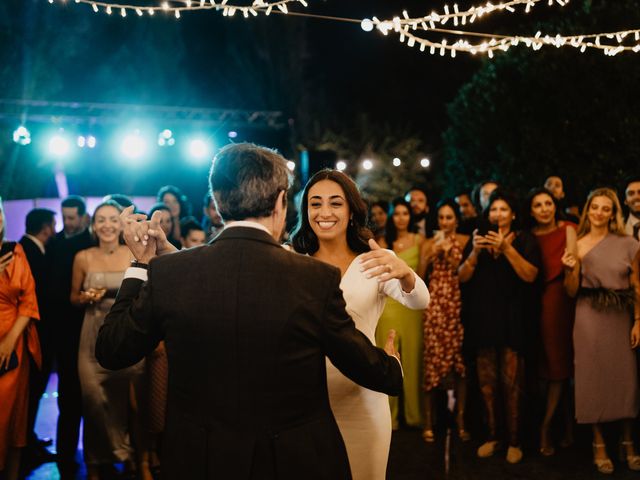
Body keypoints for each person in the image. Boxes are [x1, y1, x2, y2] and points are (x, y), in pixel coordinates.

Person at [95, 143, 403, 480]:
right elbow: (365, 365)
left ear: (218, 201)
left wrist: (140, 264)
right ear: (281, 202)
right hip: (289, 461)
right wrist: (391, 365)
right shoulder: (313, 278)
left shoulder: (170, 273)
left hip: (201, 460)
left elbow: (112, 349)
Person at [290, 169, 429, 480]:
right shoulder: (293, 259)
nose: (324, 212)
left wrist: (405, 273)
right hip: (303, 404)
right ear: (305, 211)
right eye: (315, 203)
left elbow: (419, 300)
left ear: (352, 210)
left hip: (363, 401)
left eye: (335, 203)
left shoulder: (374, 260)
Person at [561, 187, 640, 474]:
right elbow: (570, 291)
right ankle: (599, 443)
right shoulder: (578, 244)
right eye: (595, 207)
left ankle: (628, 441)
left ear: (613, 213)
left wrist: (638, 321)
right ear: (588, 210)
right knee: (591, 376)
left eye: (605, 208)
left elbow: (637, 286)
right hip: (588, 315)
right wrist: (570, 269)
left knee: (625, 377)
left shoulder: (629, 243)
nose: (599, 213)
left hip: (619, 315)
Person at [458, 189, 540, 464]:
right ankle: (493, 436)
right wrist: (475, 252)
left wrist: (506, 249)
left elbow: (530, 275)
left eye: (504, 210)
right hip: (483, 318)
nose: (498, 214)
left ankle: (515, 440)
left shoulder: (525, 239)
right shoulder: (477, 239)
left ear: (513, 214)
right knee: (487, 384)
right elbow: (463, 276)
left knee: (512, 382)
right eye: (494, 210)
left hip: (513, 319)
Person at [70, 201, 145, 480]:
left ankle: (131, 456)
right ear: (93, 225)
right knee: (93, 402)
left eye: (113, 219)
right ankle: (94, 462)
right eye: (101, 220)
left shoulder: (134, 253)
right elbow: (73, 297)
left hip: (127, 333)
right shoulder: (83, 257)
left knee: (131, 404)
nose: (107, 225)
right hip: (91, 334)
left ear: (121, 223)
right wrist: (85, 298)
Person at [524, 187, 576, 456]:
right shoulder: (530, 236)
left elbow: (576, 266)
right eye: (538, 205)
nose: (544, 208)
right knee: (552, 366)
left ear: (555, 205)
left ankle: (553, 427)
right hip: (540, 302)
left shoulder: (569, 228)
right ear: (531, 210)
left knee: (562, 366)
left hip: (564, 300)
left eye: (548, 203)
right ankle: (558, 426)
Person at [48, 195, 93, 479]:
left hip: (90, 325)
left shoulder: (91, 243)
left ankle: (95, 452)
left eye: (72, 217)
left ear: (83, 216)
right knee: (68, 395)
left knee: (93, 393)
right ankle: (65, 453)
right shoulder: (54, 243)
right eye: (64, 217)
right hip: (64, 330)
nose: (68, 222)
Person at [421, 199, 470, 443]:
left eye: (449, 217)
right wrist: (431, 256)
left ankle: (460, 420)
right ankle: (429, 421)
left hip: (457, 304)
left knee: (459, 365)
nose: (444, 222)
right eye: (441, 217)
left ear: (457, 219)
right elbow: (419, 275)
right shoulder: (428, 242)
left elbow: (465, 274)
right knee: (432, 362)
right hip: (435, 305)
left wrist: (450, 256)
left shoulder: (463, 241)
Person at [377, 198, 427, 429]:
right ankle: (390, 418)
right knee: (388, 360)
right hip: (388, 308)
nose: (400, 218)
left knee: (414, 360)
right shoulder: (381, 242)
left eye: (405, 213)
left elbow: (423, 276)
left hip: (412, 308)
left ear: (410, 216)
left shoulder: (421, 241)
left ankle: (415, 416)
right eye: (396, 213)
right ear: (390, 216)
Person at [0, 201, 41, 480]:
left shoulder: (15, 251)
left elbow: (28, 300)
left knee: (12, 412)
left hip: (12, 339)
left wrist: (9, 341)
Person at [19, 208, 57, 469]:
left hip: (36, 333)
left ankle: (28, 439)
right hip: (31, 334)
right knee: (29, 392)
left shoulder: (31, 249)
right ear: (46, 227)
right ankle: (24, 447)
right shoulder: (25, 252)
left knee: (33, 392)